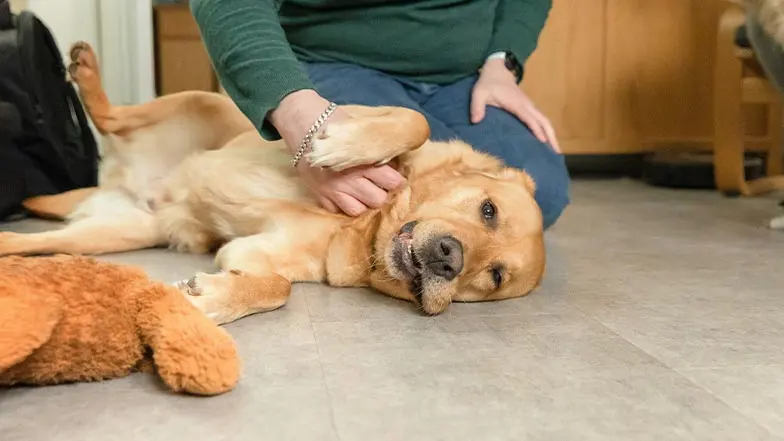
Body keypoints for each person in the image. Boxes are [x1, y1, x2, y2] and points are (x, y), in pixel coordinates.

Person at [190, 0, 570, 229]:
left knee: (542, 193)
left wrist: (501, 62)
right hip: (330, 60)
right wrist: (297, 115)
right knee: (395, 185)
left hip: (459, 79)